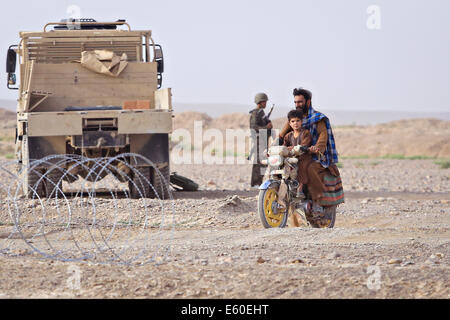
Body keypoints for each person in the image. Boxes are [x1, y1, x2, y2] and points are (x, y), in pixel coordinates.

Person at [279, 88, 344, 214]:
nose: (297, 105)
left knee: (309, 168)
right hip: (295, 154)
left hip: (314, 155)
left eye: (300, 102)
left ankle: (317, 201)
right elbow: (282, 136)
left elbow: (323, 136)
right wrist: (273, 147)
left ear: (308, 102)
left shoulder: (317, 118)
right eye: (296, 102)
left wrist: (317, 148)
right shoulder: (294, 118)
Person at [282, 109, 312, 199]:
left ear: (301, 122)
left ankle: (300, 188)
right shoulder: (288, 136)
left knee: (301, 164)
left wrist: (294, 148)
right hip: (291, 157)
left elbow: (304, 145)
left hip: (303, 156)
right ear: (289, 123)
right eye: (293, 121)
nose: (295, 123)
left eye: (298, 121)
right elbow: (284, 147)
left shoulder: (305, 133)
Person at [249, 92, 273, 187]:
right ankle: (255, 183)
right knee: (258, 162)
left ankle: (259, 182)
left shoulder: (261, 113)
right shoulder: (256, 113)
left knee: (263, 161)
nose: (265, 103)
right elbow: (254, 127)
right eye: (264, 101)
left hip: (263, 140)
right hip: (259, 141)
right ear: (260, 102)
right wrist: (266, 127)